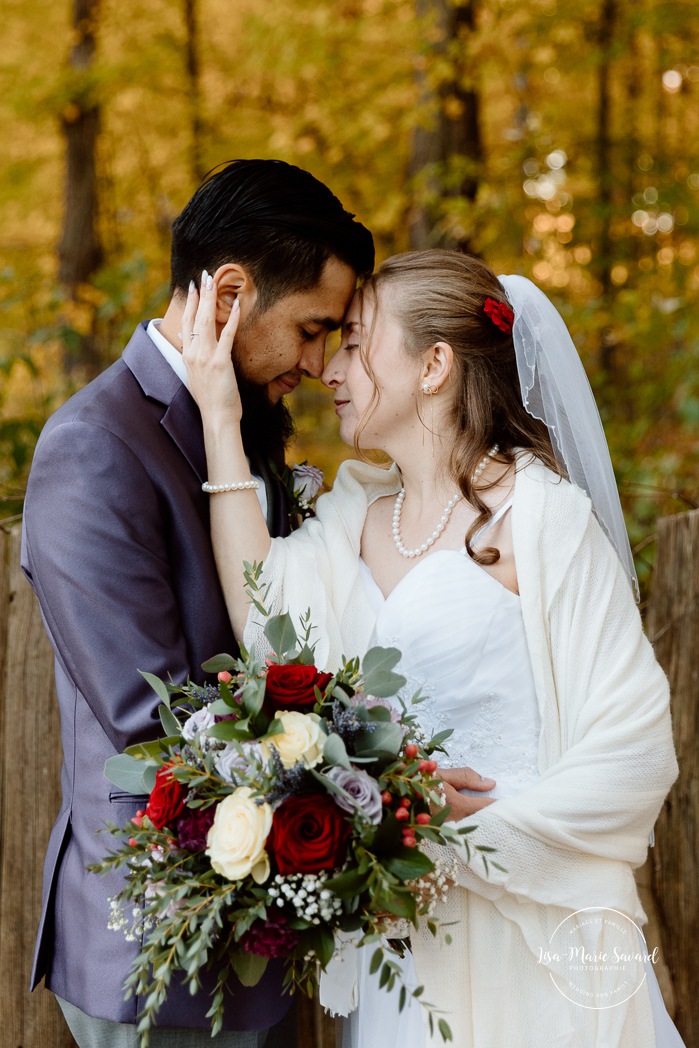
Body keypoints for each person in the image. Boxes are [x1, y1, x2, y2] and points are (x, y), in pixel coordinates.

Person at [182, 247, 684, 1048]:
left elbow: (635, 753)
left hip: (532, 930)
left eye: (354, 343)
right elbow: (263, 623)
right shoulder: (356, 513)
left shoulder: (544, 519)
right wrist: (219, 417)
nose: (330, 368)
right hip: (408, 943)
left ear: (434, 366)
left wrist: (457, 834)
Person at [20, 158, 374, 1048]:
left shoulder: (240, 421)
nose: (316, 362)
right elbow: (153, 713)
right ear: (229, 292)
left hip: (260, 932)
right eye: (309, 329)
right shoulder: (94, 444)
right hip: (157, 950)